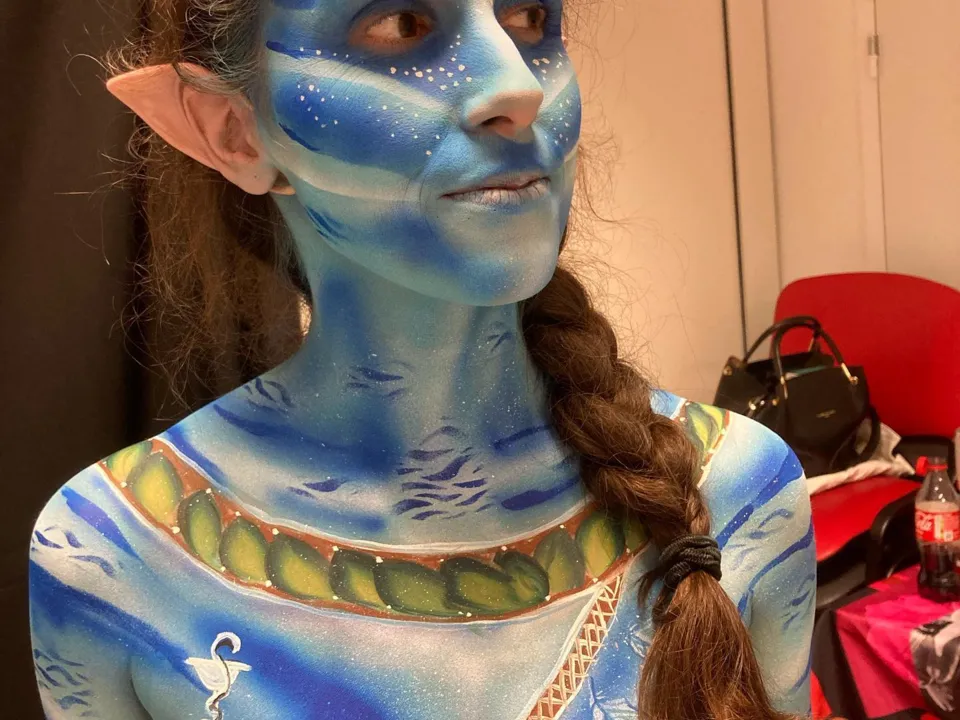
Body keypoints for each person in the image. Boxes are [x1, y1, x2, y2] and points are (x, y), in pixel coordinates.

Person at [28, 1, 816, 718]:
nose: (517, 86)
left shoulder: (739, 495)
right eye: (402, 23)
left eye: (530, 18)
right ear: (234, 131)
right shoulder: (112, 556)